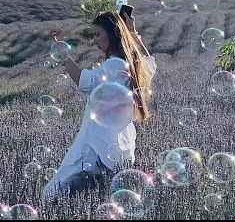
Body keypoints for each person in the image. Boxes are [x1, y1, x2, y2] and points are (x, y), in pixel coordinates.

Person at [41, 11, 156, 200]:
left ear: (113, 34)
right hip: (118, 148)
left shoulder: (115, 66)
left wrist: (61, 52)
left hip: (97, 148)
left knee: (51, 195)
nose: (94, 41)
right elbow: (150, 63)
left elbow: (84, 81)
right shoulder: (133, 66)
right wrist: (132, 33)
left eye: (97, 34)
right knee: (95, 197)